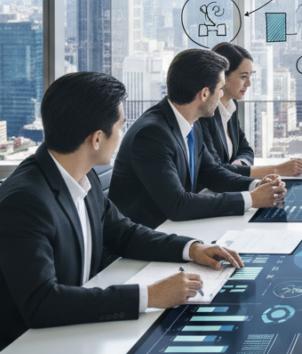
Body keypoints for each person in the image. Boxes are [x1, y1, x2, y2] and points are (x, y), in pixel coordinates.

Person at [0, 72, 244, 354]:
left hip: (73, 336)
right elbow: (42, 304)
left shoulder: (81, 174)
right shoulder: (25, 201)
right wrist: (150, 295)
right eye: (119, 126)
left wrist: (191, 248)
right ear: (96, 138)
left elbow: (124, 233)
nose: (123, 134)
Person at [110, 48, 286, 228]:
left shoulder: (191, 122)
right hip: (147, 240)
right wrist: (251, 199)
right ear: (203, 94)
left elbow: (213, 173)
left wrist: (257, 185)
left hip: (176, 228)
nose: (221, 95)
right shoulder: (152, 134)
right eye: (219, 89)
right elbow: (178, 205)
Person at [197, 42, 302, 178]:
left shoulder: (231, 106)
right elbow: (214, 170)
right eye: (243, 77)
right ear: (222, 77)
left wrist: (239, 164)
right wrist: (277, 170)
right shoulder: (203, 113)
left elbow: (246, 149)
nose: (249, 83)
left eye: (251, 76)